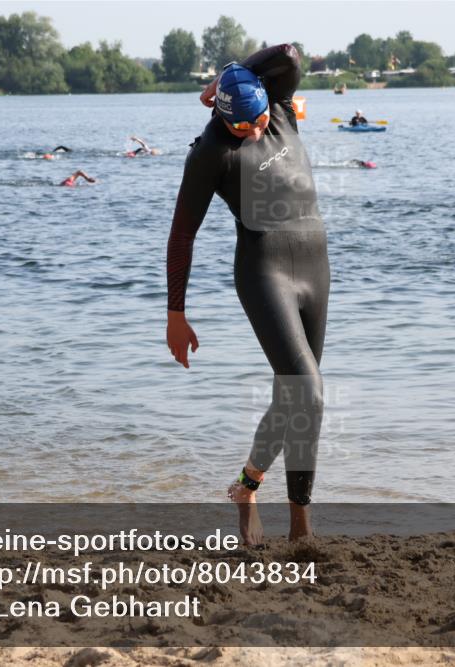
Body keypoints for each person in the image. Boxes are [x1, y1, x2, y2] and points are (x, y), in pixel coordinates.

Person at [166, 45, 329, 545]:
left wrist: (229, 75)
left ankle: (246, 487)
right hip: (265, 272)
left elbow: (289, 53)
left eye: (259, 120)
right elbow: (182, 235)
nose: (255, 131)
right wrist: (176, 312)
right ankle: (301, 522)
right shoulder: (211, 151)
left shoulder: (274, 103)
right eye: (243, 127)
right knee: (310, 393)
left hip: (316, 267)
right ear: (221, 117)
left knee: (294, 398)